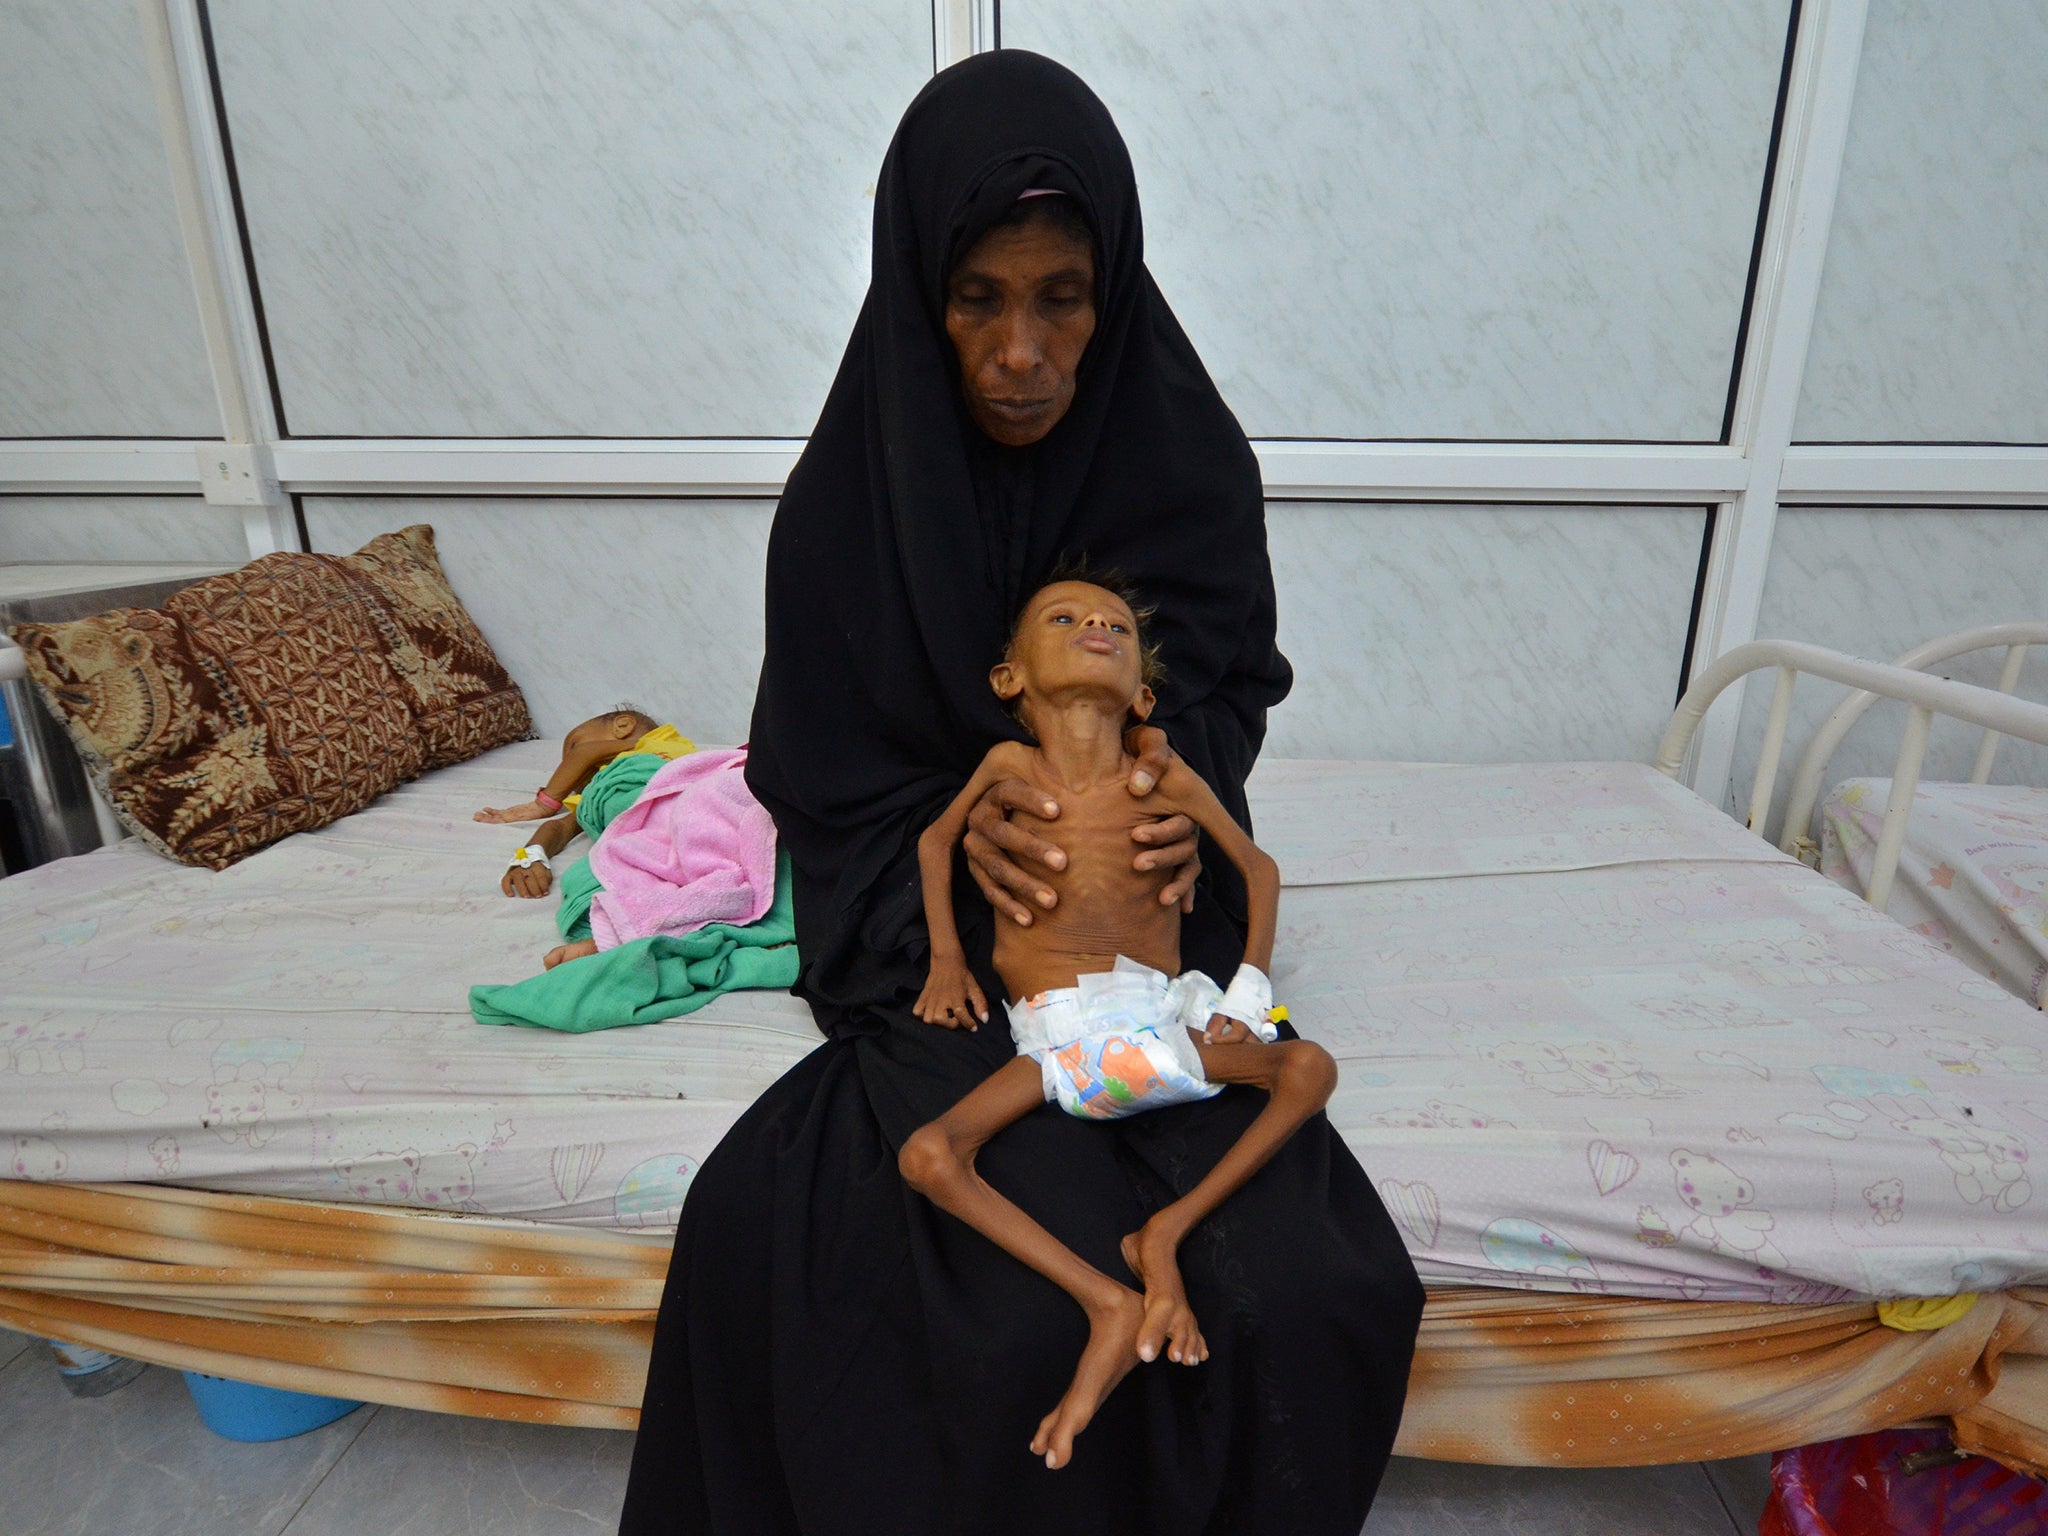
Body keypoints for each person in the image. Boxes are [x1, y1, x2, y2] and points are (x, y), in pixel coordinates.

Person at [620, 50, 1422, 1536]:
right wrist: (956, 828)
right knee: (967, 1289)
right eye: (978, 297)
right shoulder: (840, 515)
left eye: (1063, 297)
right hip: (956, 964)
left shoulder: (1187, 466)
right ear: (916, 287)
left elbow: (1227, 694)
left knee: (1314, 1285)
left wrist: (1183, 795)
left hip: (1140, 937)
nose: (1021, 351)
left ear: (1113, 294)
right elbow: (823, 774)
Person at [903, 574, 1338, 1472]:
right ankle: (1108, 1300)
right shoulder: (1007, 768)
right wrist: (948, 959)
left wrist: (1247, 1000)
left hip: (1160, 1023)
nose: (1094, 626)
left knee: (1307, 1069)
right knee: (929, 1154)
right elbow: (935, 841)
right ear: (1008, 679)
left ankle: (1165, 1233)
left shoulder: (1164, 771)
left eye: (1113, 624)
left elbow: (1256, 870)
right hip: (1056, 1036)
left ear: (1143, 691)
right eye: (1063, 620)